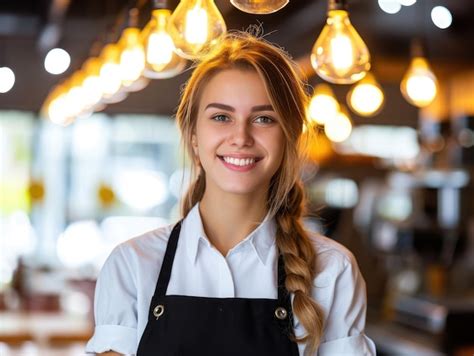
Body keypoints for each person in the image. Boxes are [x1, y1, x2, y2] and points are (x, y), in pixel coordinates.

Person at [85, 30, 376, 355]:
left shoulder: (332, 271)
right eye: (221, 117)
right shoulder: (132, 265)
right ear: (193, 135)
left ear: (290, 137)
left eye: (264, 118)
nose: (241, 136)